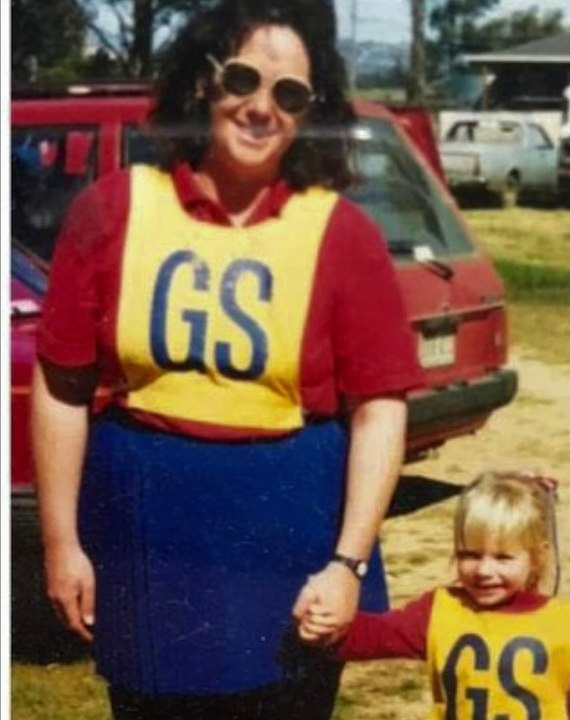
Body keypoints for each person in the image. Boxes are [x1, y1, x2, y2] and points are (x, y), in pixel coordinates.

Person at [32, 1, 422, 717]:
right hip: (150, 538)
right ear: (202, 81)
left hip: (288, 537)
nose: (261, 107)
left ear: (311, 113)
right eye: (243, 79)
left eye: (290, 94)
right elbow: (60, 385)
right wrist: (62, 544)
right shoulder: (115, 208)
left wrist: (348, 562)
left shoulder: (343, 233)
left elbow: (380, 411)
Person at [296, 472, 570, 720]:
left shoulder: (564, 626)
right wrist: (325, 626)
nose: (484, 570)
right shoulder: (442, 611)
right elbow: (375, 636)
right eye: (470, 554)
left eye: (503, 558)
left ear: (536, 557)